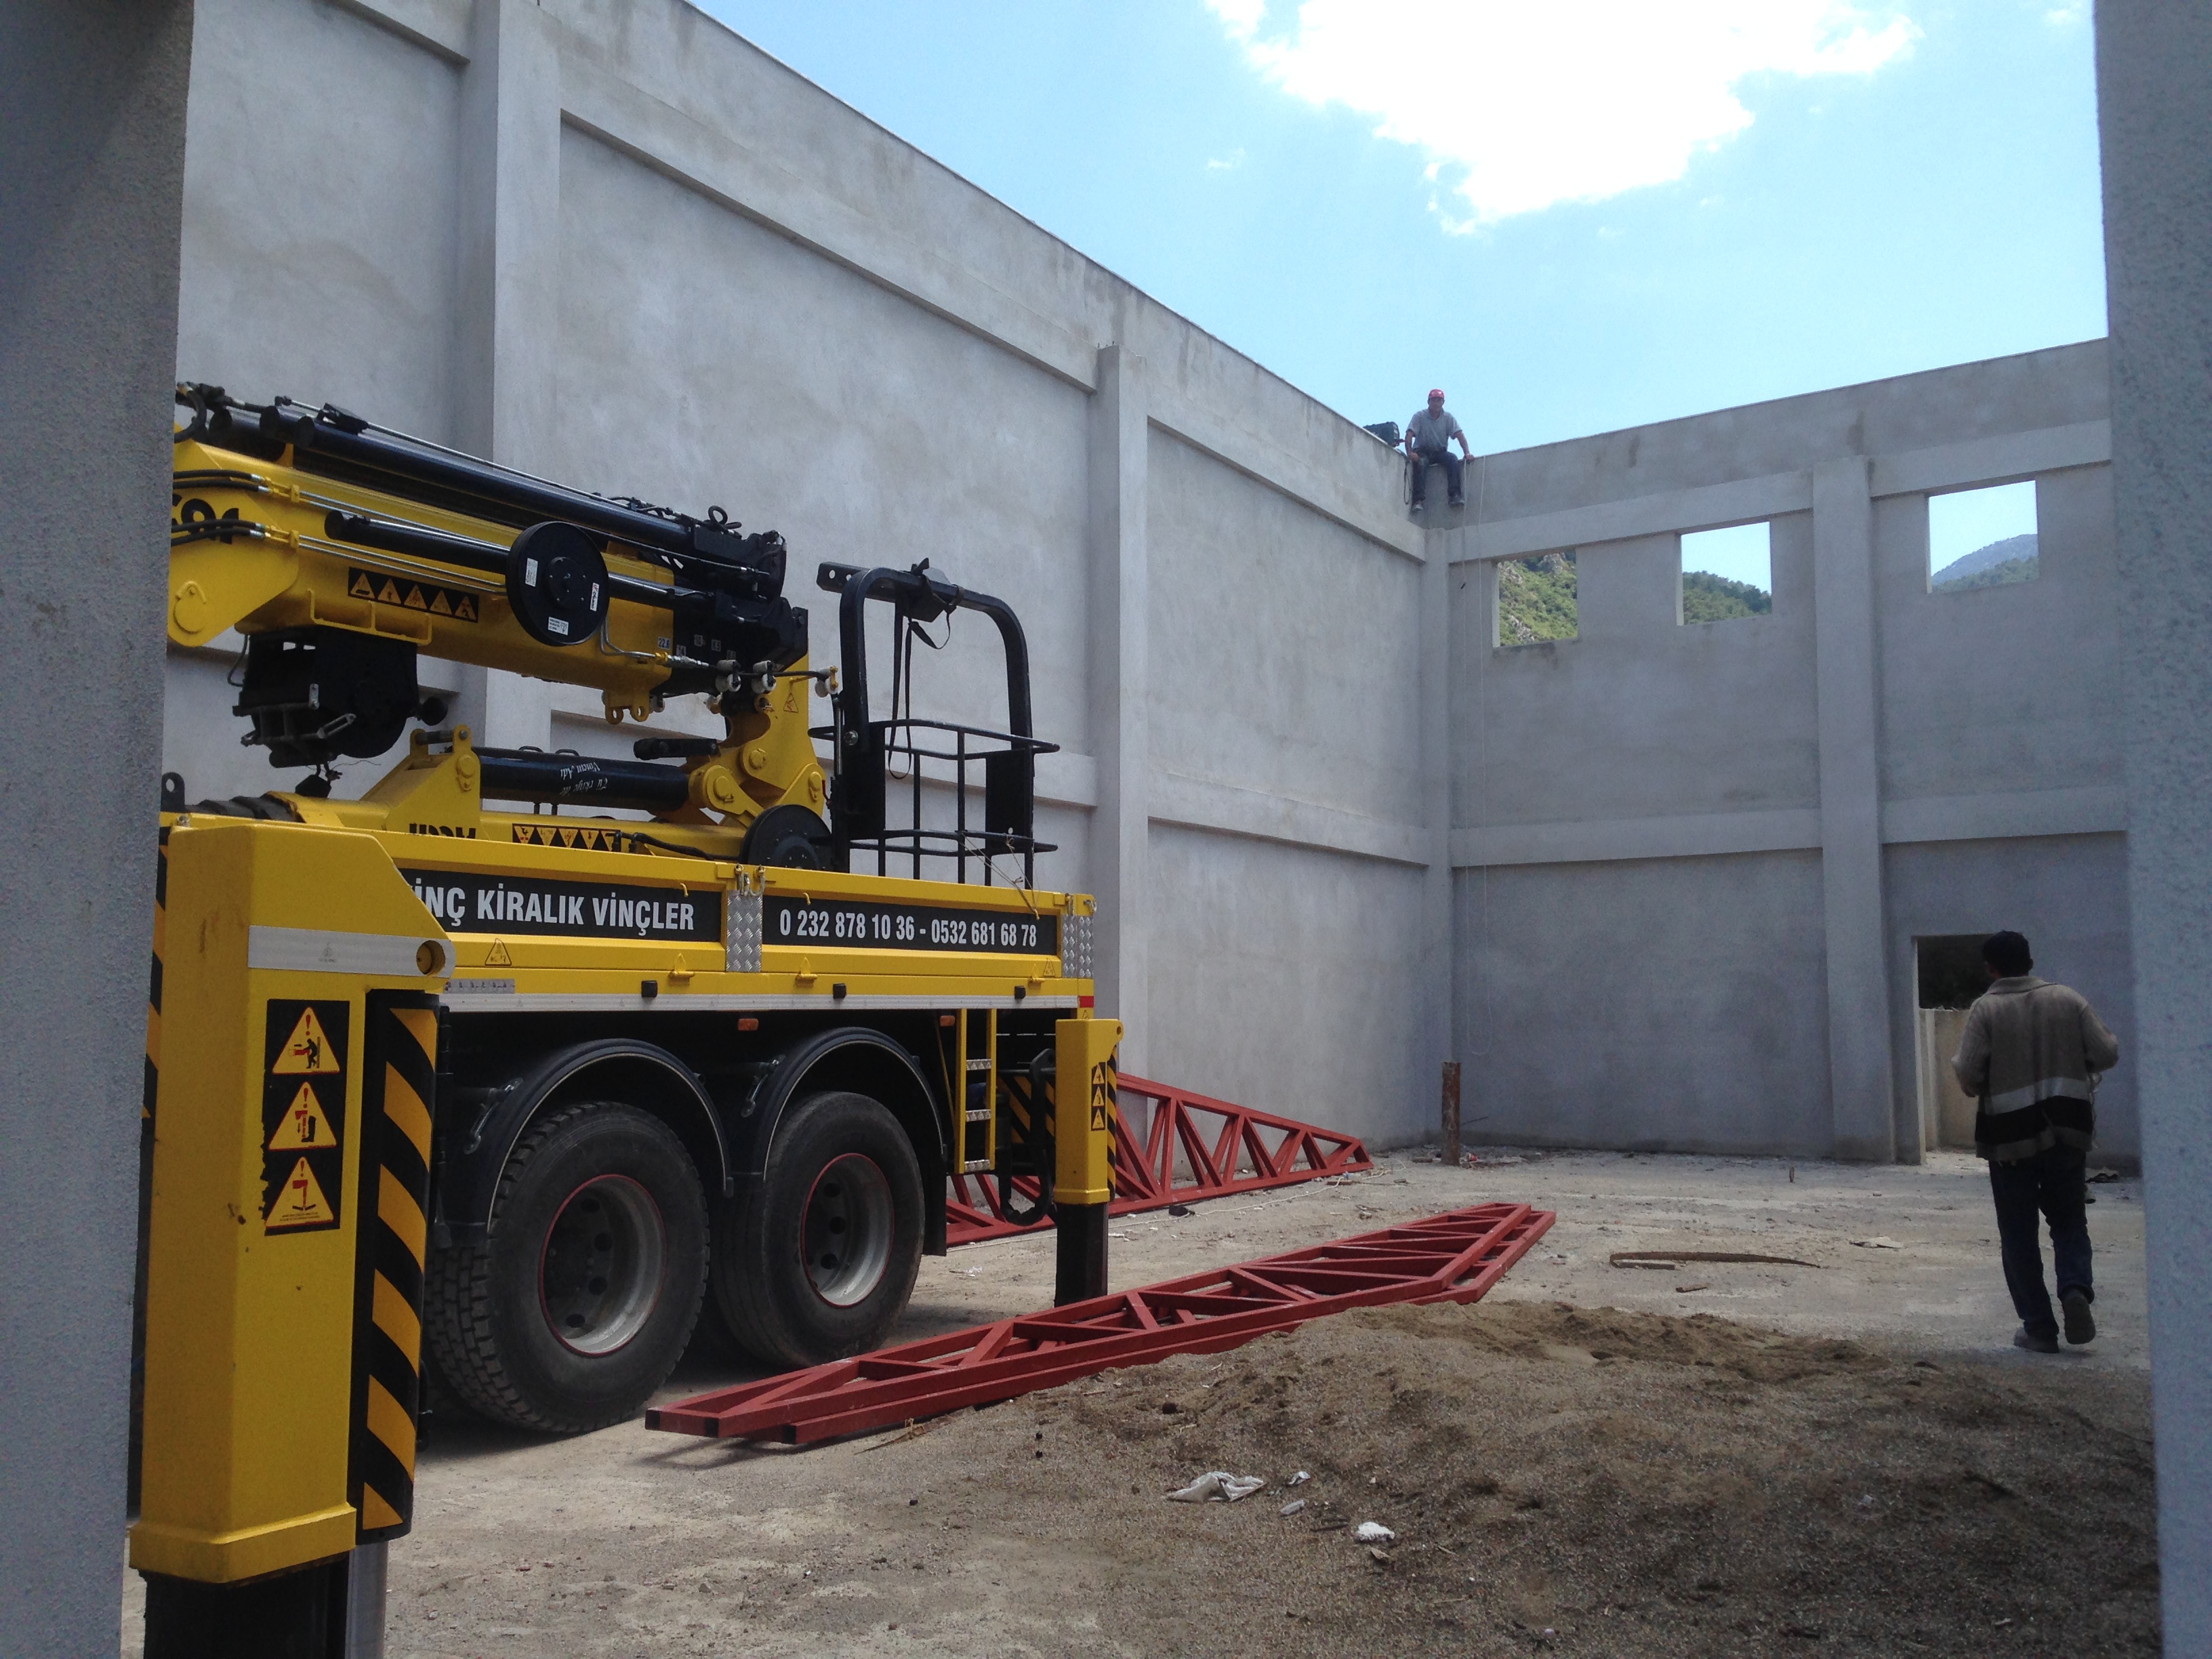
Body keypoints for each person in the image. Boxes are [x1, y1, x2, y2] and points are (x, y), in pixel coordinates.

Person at [1950, 930, 2120, 1354]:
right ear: (2030, 962)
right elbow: (2107, 1053)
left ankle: (2039, 1329)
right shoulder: (2068, 999)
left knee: (2018, 1233)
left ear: (1991, 968)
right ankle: (2075, 1289)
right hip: (2067, 1131)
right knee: (2069, 1219)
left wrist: (1986, 1082)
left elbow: (1968, 1074)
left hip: (2009, 1139)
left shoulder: (1987, 1009)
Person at [1404, 388, 1472, 512]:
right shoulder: (1420, 416)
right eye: (1434, 400)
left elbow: (1460, 436)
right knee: (1421, 462)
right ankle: (1418, 500)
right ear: (1428, 402)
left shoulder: (1448, 418)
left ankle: (1455, 495)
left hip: (1439, 452)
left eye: (1439, 400)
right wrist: (1410, 453)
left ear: (1443, 402)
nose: (1436, 403)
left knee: (1452, 459)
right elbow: (1409, 436)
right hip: (1422, 451)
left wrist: (1467, 453)